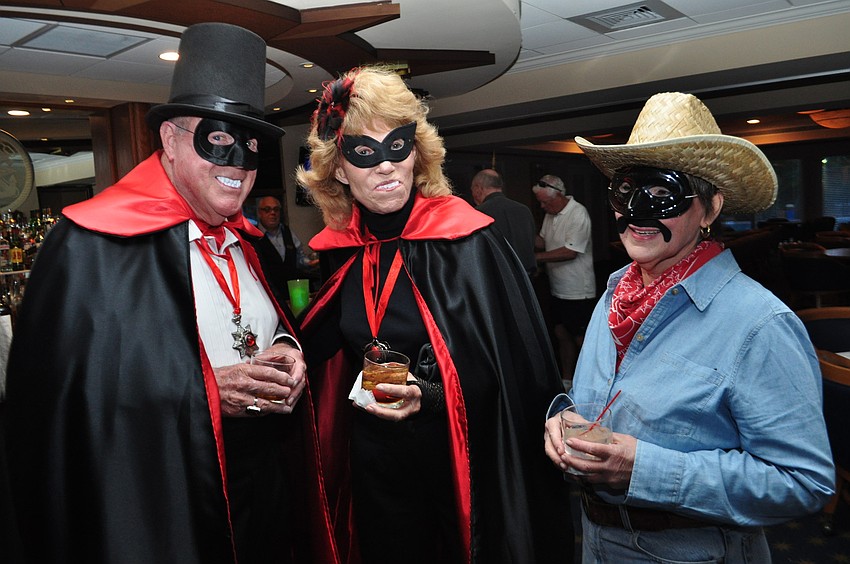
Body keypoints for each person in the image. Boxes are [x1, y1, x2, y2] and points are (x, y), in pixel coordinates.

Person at [2, 23, 336, 564]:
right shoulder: (93, 243)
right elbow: (63, 402)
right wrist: (206, 390)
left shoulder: (246, 239)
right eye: (218, 142)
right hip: (166, 491)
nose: (237, 167)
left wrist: (288, 350)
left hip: (263, 482)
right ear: (171, 141)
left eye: (249, 149)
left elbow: (271, 321)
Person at [543, 91, 835, 562]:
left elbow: (801, 482)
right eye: (627, 192)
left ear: (710, 208)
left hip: (693, 549)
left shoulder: (759, 324)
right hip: (596, 539)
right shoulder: (613, 298)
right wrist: (563, 419)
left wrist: (645, 470)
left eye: (663, 195)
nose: (638, 213)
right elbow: (601, 404)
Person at [295, 66, 570, 564]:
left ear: (417, 153)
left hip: (455, 461)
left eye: (397, 147)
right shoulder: (343, 250)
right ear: (338, 169)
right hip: (375, 460)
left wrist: (434, 394)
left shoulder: (468, 242)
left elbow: (510, 372)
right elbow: (328, 334)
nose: (384, 166)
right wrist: (284, 348)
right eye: (364, 152)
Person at [533, 175, 596, 383]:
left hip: (578, 290)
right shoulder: (552, 213)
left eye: (546, 202)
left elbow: (570, 252)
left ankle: (591, 382)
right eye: (541, 202)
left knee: (581, 339)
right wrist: (518, 231)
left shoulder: (578, 213)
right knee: (561, 334)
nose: (543, 206)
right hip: (557, 288)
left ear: (559, 195)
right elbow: (542, 241)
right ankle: (567, 380)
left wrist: (534, 259)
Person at [470, 168, 537, 275]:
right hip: (526, 277)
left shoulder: (478, 213)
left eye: (472, 189)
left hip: (497, 278)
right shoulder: (524, 209)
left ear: (478, 188)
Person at [249, 195, 318, 294]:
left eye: (276, 209)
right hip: (268, 294)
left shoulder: (288, 232)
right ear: (260, 213)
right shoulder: (252, 236)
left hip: (291, 292)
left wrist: (311, 262)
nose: (272, 213)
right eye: (267, 209)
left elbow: (299, 259)